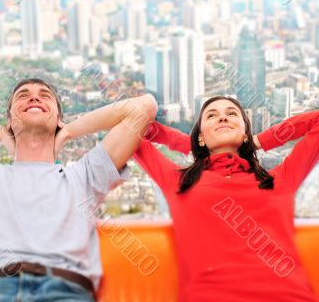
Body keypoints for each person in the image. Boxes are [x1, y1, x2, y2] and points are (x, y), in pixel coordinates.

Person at [0, 78, 157, 301]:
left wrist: (69, 131)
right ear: (10, 121)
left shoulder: (84, 177)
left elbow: (143, 107)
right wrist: (1, 134)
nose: (34, 98)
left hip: (63, 291)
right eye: (23, 96)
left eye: (45, 96)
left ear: (58, 120)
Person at [134, 95, 319, 302]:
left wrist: (260, 140)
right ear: (200, 136)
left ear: (246, 133)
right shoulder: (178, 181)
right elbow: (132, 129)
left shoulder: (280, 179)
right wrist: (191, 144)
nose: (222, 118)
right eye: (212, 116)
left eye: (231, 114)